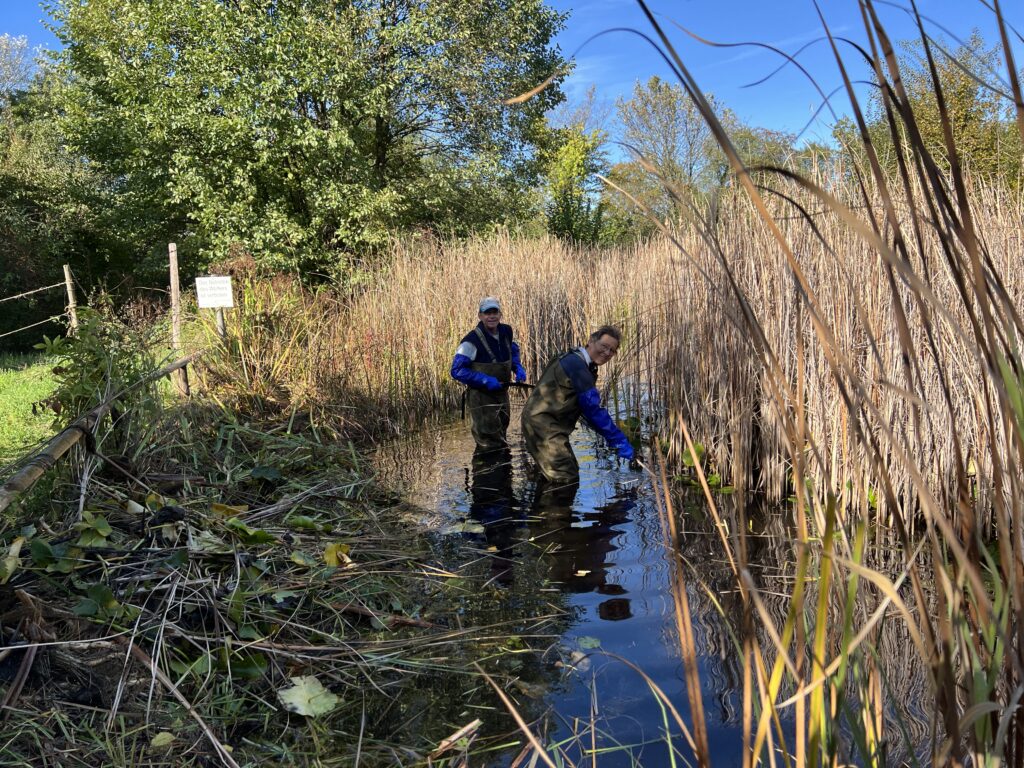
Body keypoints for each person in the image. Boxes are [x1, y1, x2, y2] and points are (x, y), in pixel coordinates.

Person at [521, 325, 634, 484]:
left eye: (612, 350)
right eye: (604, 346)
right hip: (543, 425)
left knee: (565, 472)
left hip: (547, 423)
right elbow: (593, 409)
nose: (608, 353)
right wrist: (618, 439)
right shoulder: (577, 366)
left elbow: (583, 408)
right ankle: (552, 509)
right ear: (591, 341)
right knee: (566, 477)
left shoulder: (576, 358)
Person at [450, 297, 527, 450]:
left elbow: (512, 350)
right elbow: (456, 370)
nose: (491, 316)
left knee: (501, 435)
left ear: (500, 314)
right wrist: (484, 380)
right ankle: (485, 470)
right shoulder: (470, 341)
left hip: (501, 394)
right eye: (487, 313)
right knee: (488, 443)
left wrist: (517, 367)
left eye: (494, 312)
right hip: (481, 399)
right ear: (480, 316)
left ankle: (503, 472)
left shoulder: (506, 331)